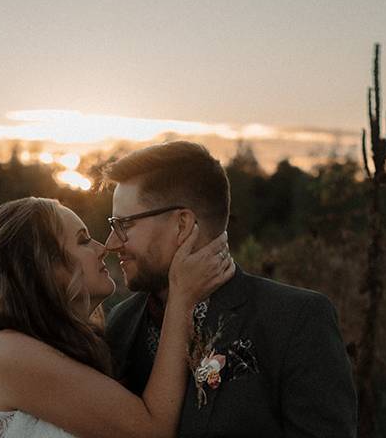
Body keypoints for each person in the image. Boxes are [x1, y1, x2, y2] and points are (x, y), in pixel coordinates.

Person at [103, 141, 357, 437]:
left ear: (182, 224)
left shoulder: (295, 321)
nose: (111, 243)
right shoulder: (121, 324)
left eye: (124, 224)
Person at [0, 196, 234, 438]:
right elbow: (150, 430)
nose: (104, 248)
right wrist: (181, 297)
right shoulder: (2, 354)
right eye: (84, 240)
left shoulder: (66, 347)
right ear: (43, 267)